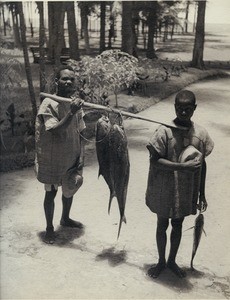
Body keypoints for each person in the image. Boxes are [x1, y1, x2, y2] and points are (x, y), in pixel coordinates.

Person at [145, 90, 214, 278]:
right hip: (163, 187)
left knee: (178, 224)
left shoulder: (200, 134)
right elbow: (154, 161)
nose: (184, 112)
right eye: (180, 108)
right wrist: (181, 167)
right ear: (175, 107)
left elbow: (202, 165)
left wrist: (202, 193)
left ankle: (172, 261)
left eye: (188, 109)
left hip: (185, 190)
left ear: (194, 108)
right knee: (162, 224)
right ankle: (160, 262)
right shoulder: (164, 131)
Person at [35, 65, 86, 244]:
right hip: (52, 157)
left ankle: (65, 218)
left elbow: (81, 132)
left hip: (71, 155)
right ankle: (49, 228)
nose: (69, 82)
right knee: (51, 192)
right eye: (65, 78)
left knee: (69, 188)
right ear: (57, 82)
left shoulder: (76, 102)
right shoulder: (48, 103)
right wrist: (71, 112)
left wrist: (81, 156)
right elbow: (54, 130)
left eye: (72, 79)